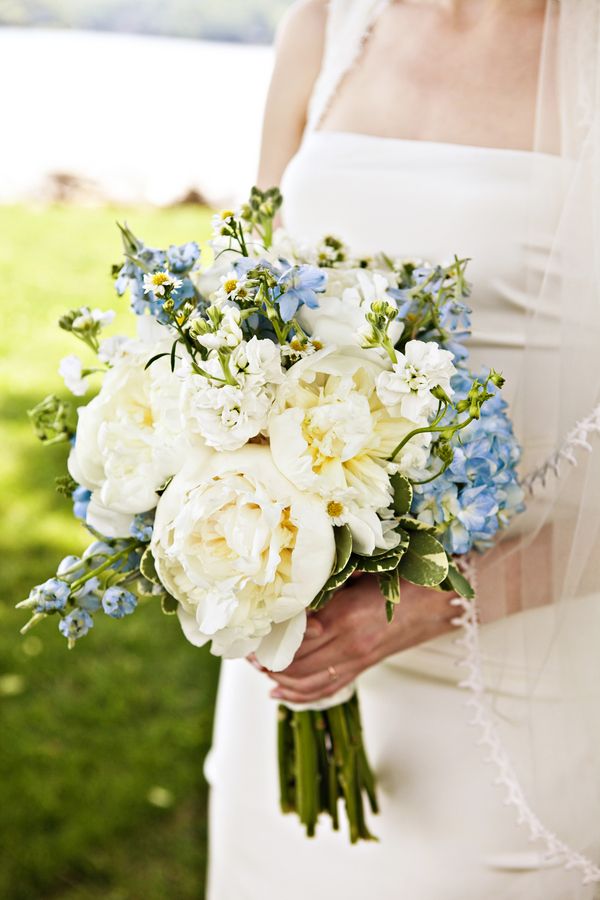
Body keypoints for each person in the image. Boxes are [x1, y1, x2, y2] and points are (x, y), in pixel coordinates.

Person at [205, 2, 600, 897]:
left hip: (513, 687)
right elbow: (249, 296)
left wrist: (433, 602)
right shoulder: (330, 22)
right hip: (297, 651)